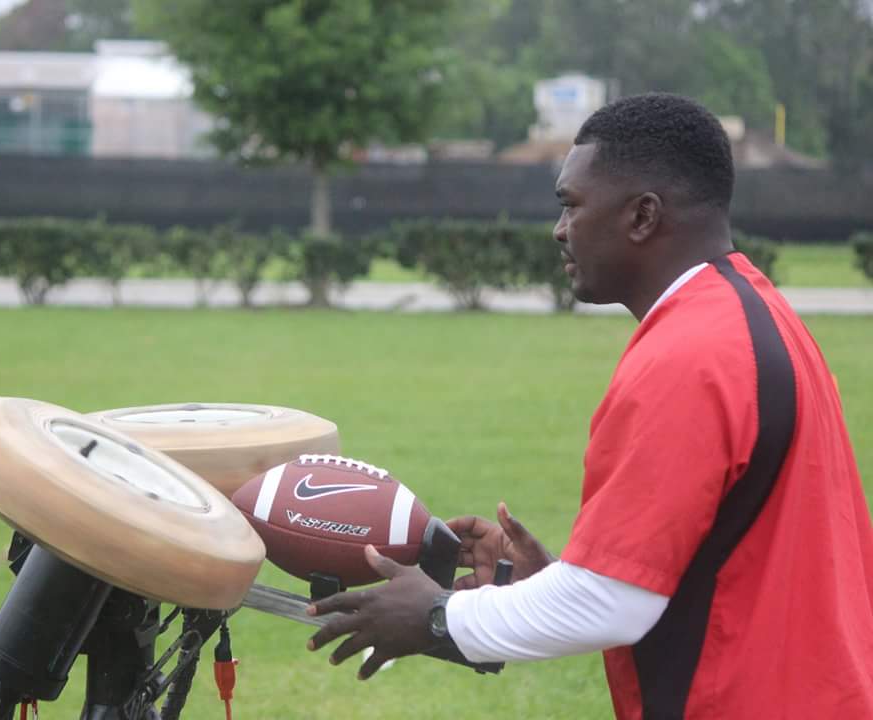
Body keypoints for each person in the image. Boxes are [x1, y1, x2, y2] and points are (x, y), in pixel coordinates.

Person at [306, 93, 873, 719]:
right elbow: (713, 560)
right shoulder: (753, 313)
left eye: (571, 205)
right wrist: (555, 578)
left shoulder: (691, 354)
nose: (559, 229)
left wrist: (436, 615)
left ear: (642, 216)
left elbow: (613, 603)